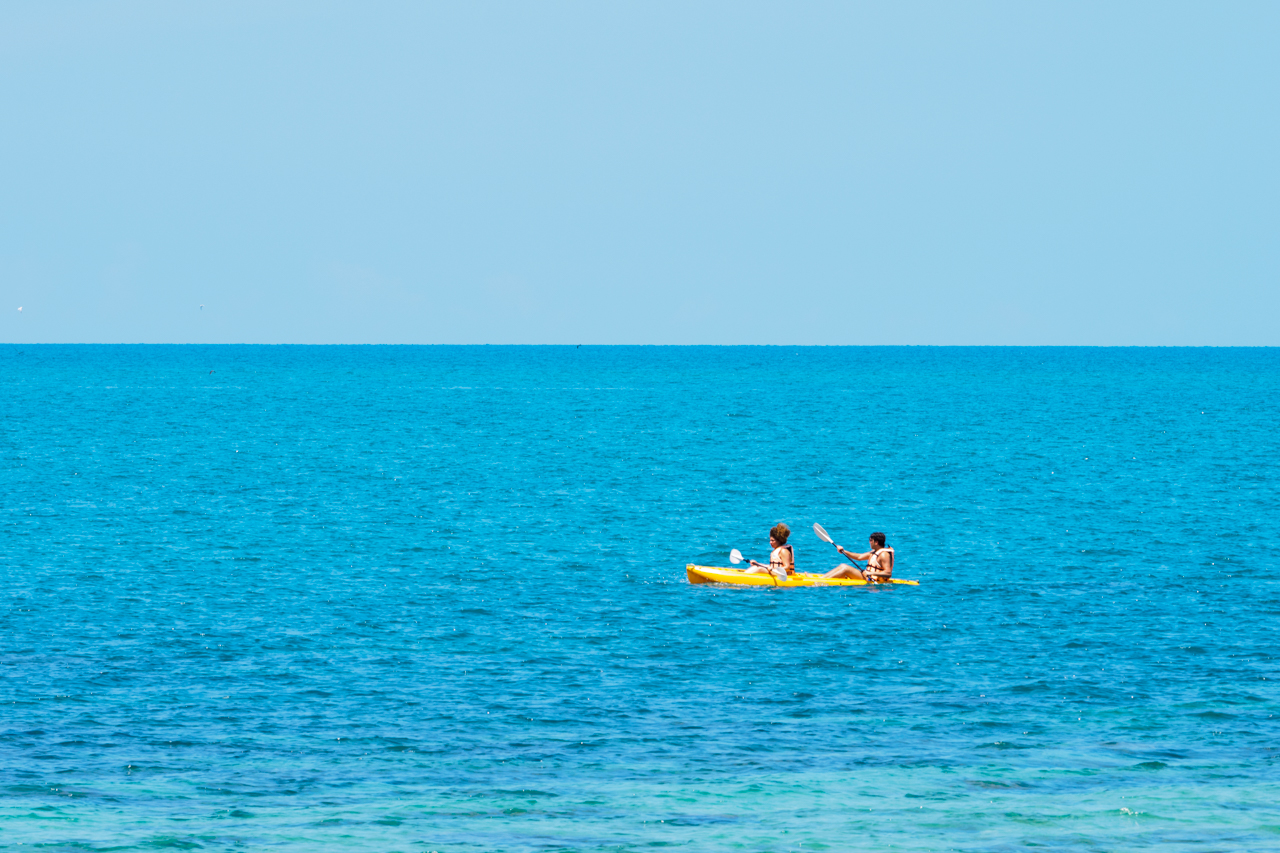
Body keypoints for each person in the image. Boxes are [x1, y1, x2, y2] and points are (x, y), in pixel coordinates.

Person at [824, 532, 894, 582]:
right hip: (867, 576)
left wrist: (870, 573)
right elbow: (859, 557)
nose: (869, 542)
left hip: (873, 579)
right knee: (843, 565)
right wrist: (843, 551)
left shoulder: (884, 554)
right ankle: (823, 579)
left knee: (845, 569)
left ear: (876, 542)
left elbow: (888, 573)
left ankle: (823, 582)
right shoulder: (874, 552)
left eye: (870, 540)